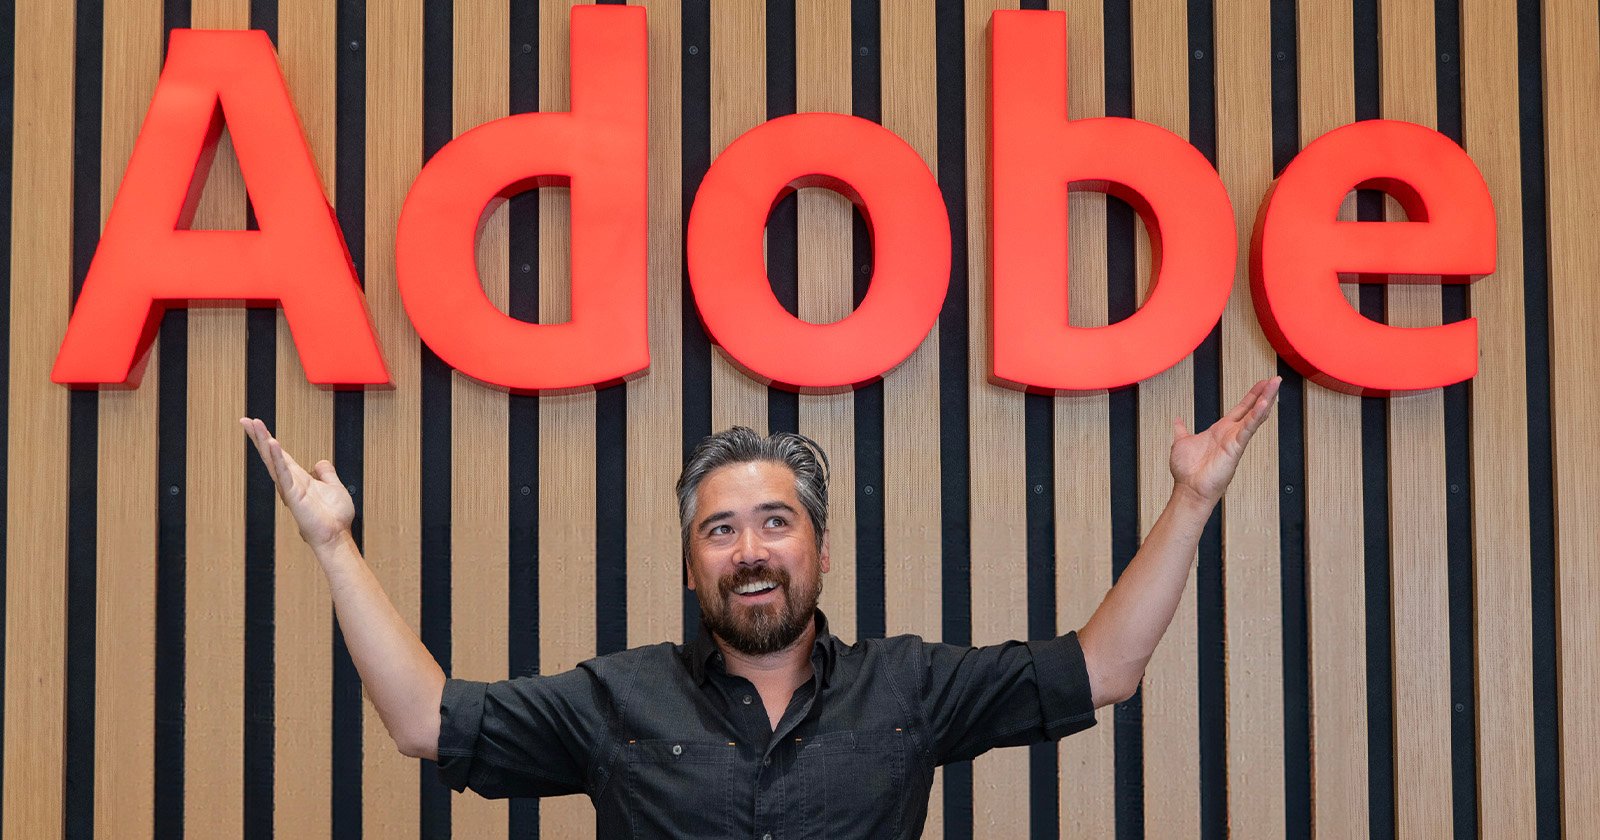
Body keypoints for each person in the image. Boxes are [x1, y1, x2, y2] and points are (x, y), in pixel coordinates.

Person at [241, 376, 1280, 838]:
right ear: (692, 565)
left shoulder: (911, 688)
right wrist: (332, 543)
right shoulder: (616, 699)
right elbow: (425, 719)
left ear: (820, 551)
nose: (750, 551)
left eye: (775, 523)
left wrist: (1191, 500)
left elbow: (1103, 668)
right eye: (720, 529)